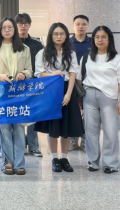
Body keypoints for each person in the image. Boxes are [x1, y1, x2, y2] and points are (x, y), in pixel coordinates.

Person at [35, 23, 84, 173]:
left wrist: (69, 94)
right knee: (53, 127)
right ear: (50, 35)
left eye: (62, 34)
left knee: (66, 127)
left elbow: (73, 73)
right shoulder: (42, 53)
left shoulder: (71, 53)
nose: (58, 36)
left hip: (67, 89)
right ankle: (55, 158)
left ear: (66, 35)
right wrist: (52, 74)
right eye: (55, 34)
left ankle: (64, 158)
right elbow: (39, 73)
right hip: (50, 91)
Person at [0, 17, 33, 175]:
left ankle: (19, 163)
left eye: (10, 27)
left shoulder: (24, 48)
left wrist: (23, 74)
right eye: (4, 28)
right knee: (4, 127)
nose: (7, 30)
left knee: (19, 127)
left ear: (14, 30)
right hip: (1, 92)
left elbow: (30, 70)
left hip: (19, 92)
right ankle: (7, 162)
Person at [81, 26, 120, 174]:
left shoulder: (117, 59)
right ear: (93, 39)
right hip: (89, 96)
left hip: (109, 97)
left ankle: (110, 163)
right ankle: (93, 161)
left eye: (103, 37)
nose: (100, 40)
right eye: (97, 37)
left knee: (111, 131)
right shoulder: (87, 57)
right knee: (90, 131)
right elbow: (80, 77)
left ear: (109, 39)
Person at [16, 13, 44, 158]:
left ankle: (34, 146)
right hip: (16, 85)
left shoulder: (37, 44)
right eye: (20, 23)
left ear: (30, 25)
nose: (23, 26)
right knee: (17, 115)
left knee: (33, 115)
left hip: (33, 84)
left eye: (26, 23)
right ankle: (19, 146)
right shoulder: (11, 43)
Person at [70, 14, 92, 152]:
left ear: (88, 26)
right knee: (73, 112)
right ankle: (72, 141)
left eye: (83, 24)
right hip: (71, 82)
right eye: (78, 24)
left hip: (89, 82)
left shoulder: (93, 42)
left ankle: (85, 142)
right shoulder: (68, 42)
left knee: (88, 114)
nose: (81, 26)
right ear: (73, 26)